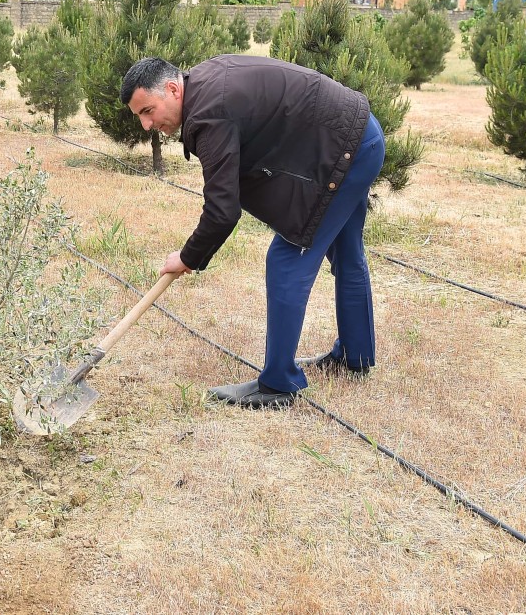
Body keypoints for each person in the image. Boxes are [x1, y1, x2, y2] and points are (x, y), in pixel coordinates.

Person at [121, 55, 385, 410]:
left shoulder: (208, 113)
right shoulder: (205, 89)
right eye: (140, 116)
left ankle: (278, 384)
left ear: (172, 89)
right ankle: (355, 357)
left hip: (346, 148)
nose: (147, 125)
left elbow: (222, 210)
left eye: (148, 111)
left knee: (287, 256)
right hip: (357, 134)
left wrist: (187, 258)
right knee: (346, 251)